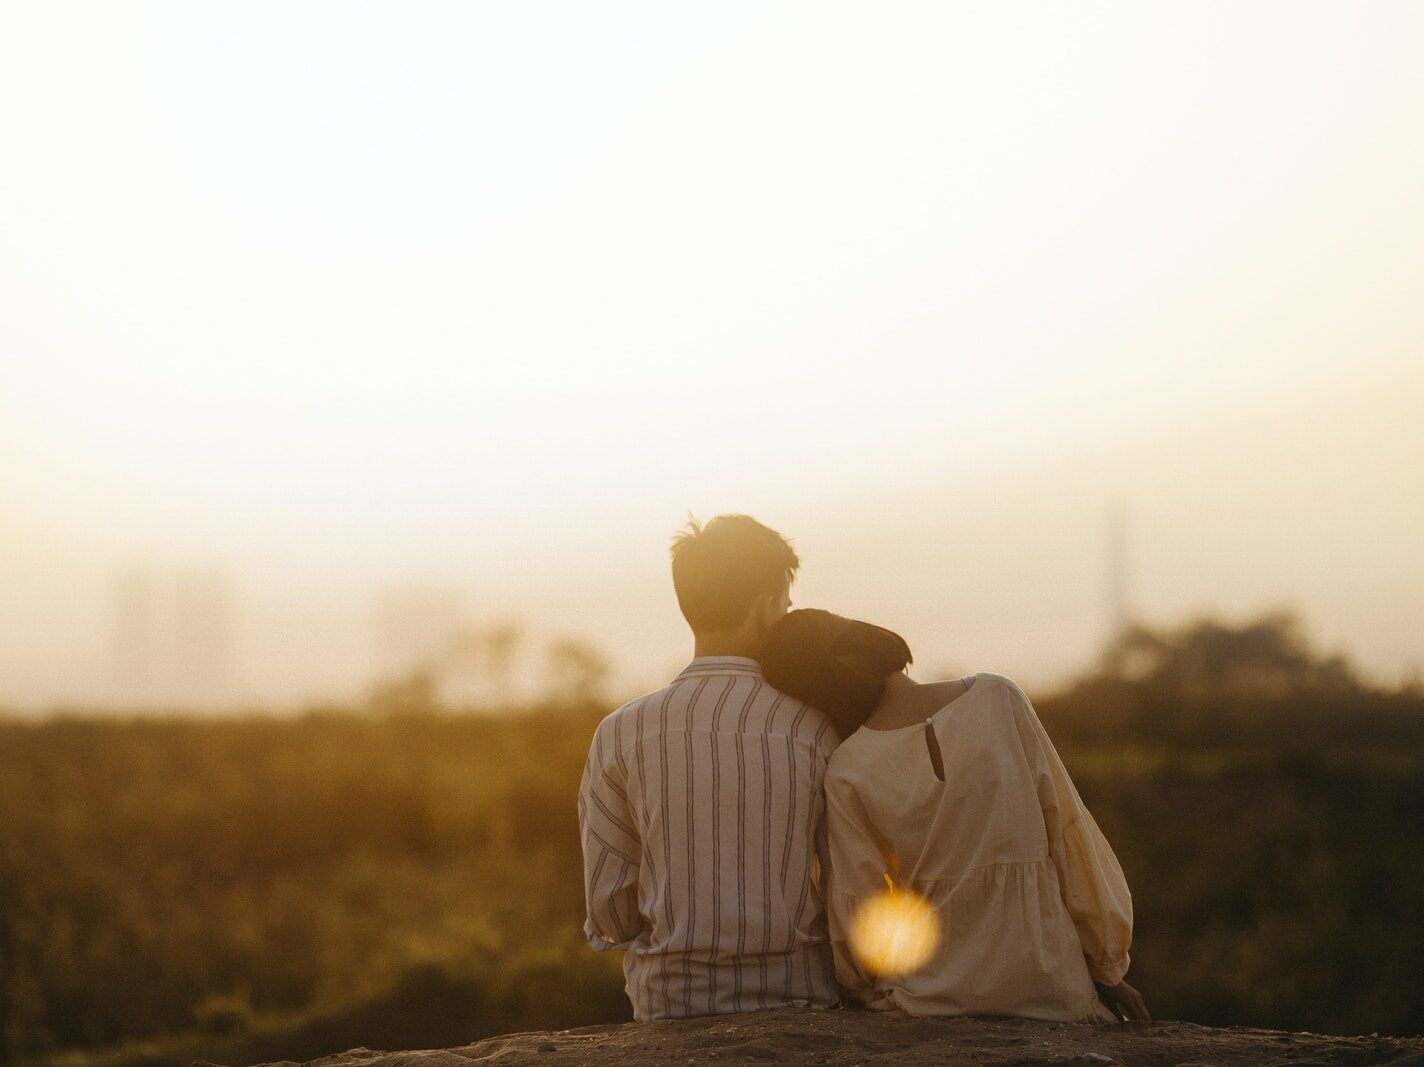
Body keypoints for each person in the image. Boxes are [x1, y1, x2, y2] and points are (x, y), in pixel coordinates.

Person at [758, 608, 1150, 1024]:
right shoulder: (998, 698)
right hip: (1050, 986)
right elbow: (1069, 833)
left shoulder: (847, 769)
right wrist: (1107, 966)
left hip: (929, 999)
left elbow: (860, 907)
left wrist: (862, 989)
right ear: (868, 637)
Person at [577, 516, 840, 1021]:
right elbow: (846, 884)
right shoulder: (816, 727)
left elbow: (609, 909)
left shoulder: (621, 731)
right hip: (800, 1001)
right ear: (766, 606)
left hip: (671, 1005)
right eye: (785, 605)